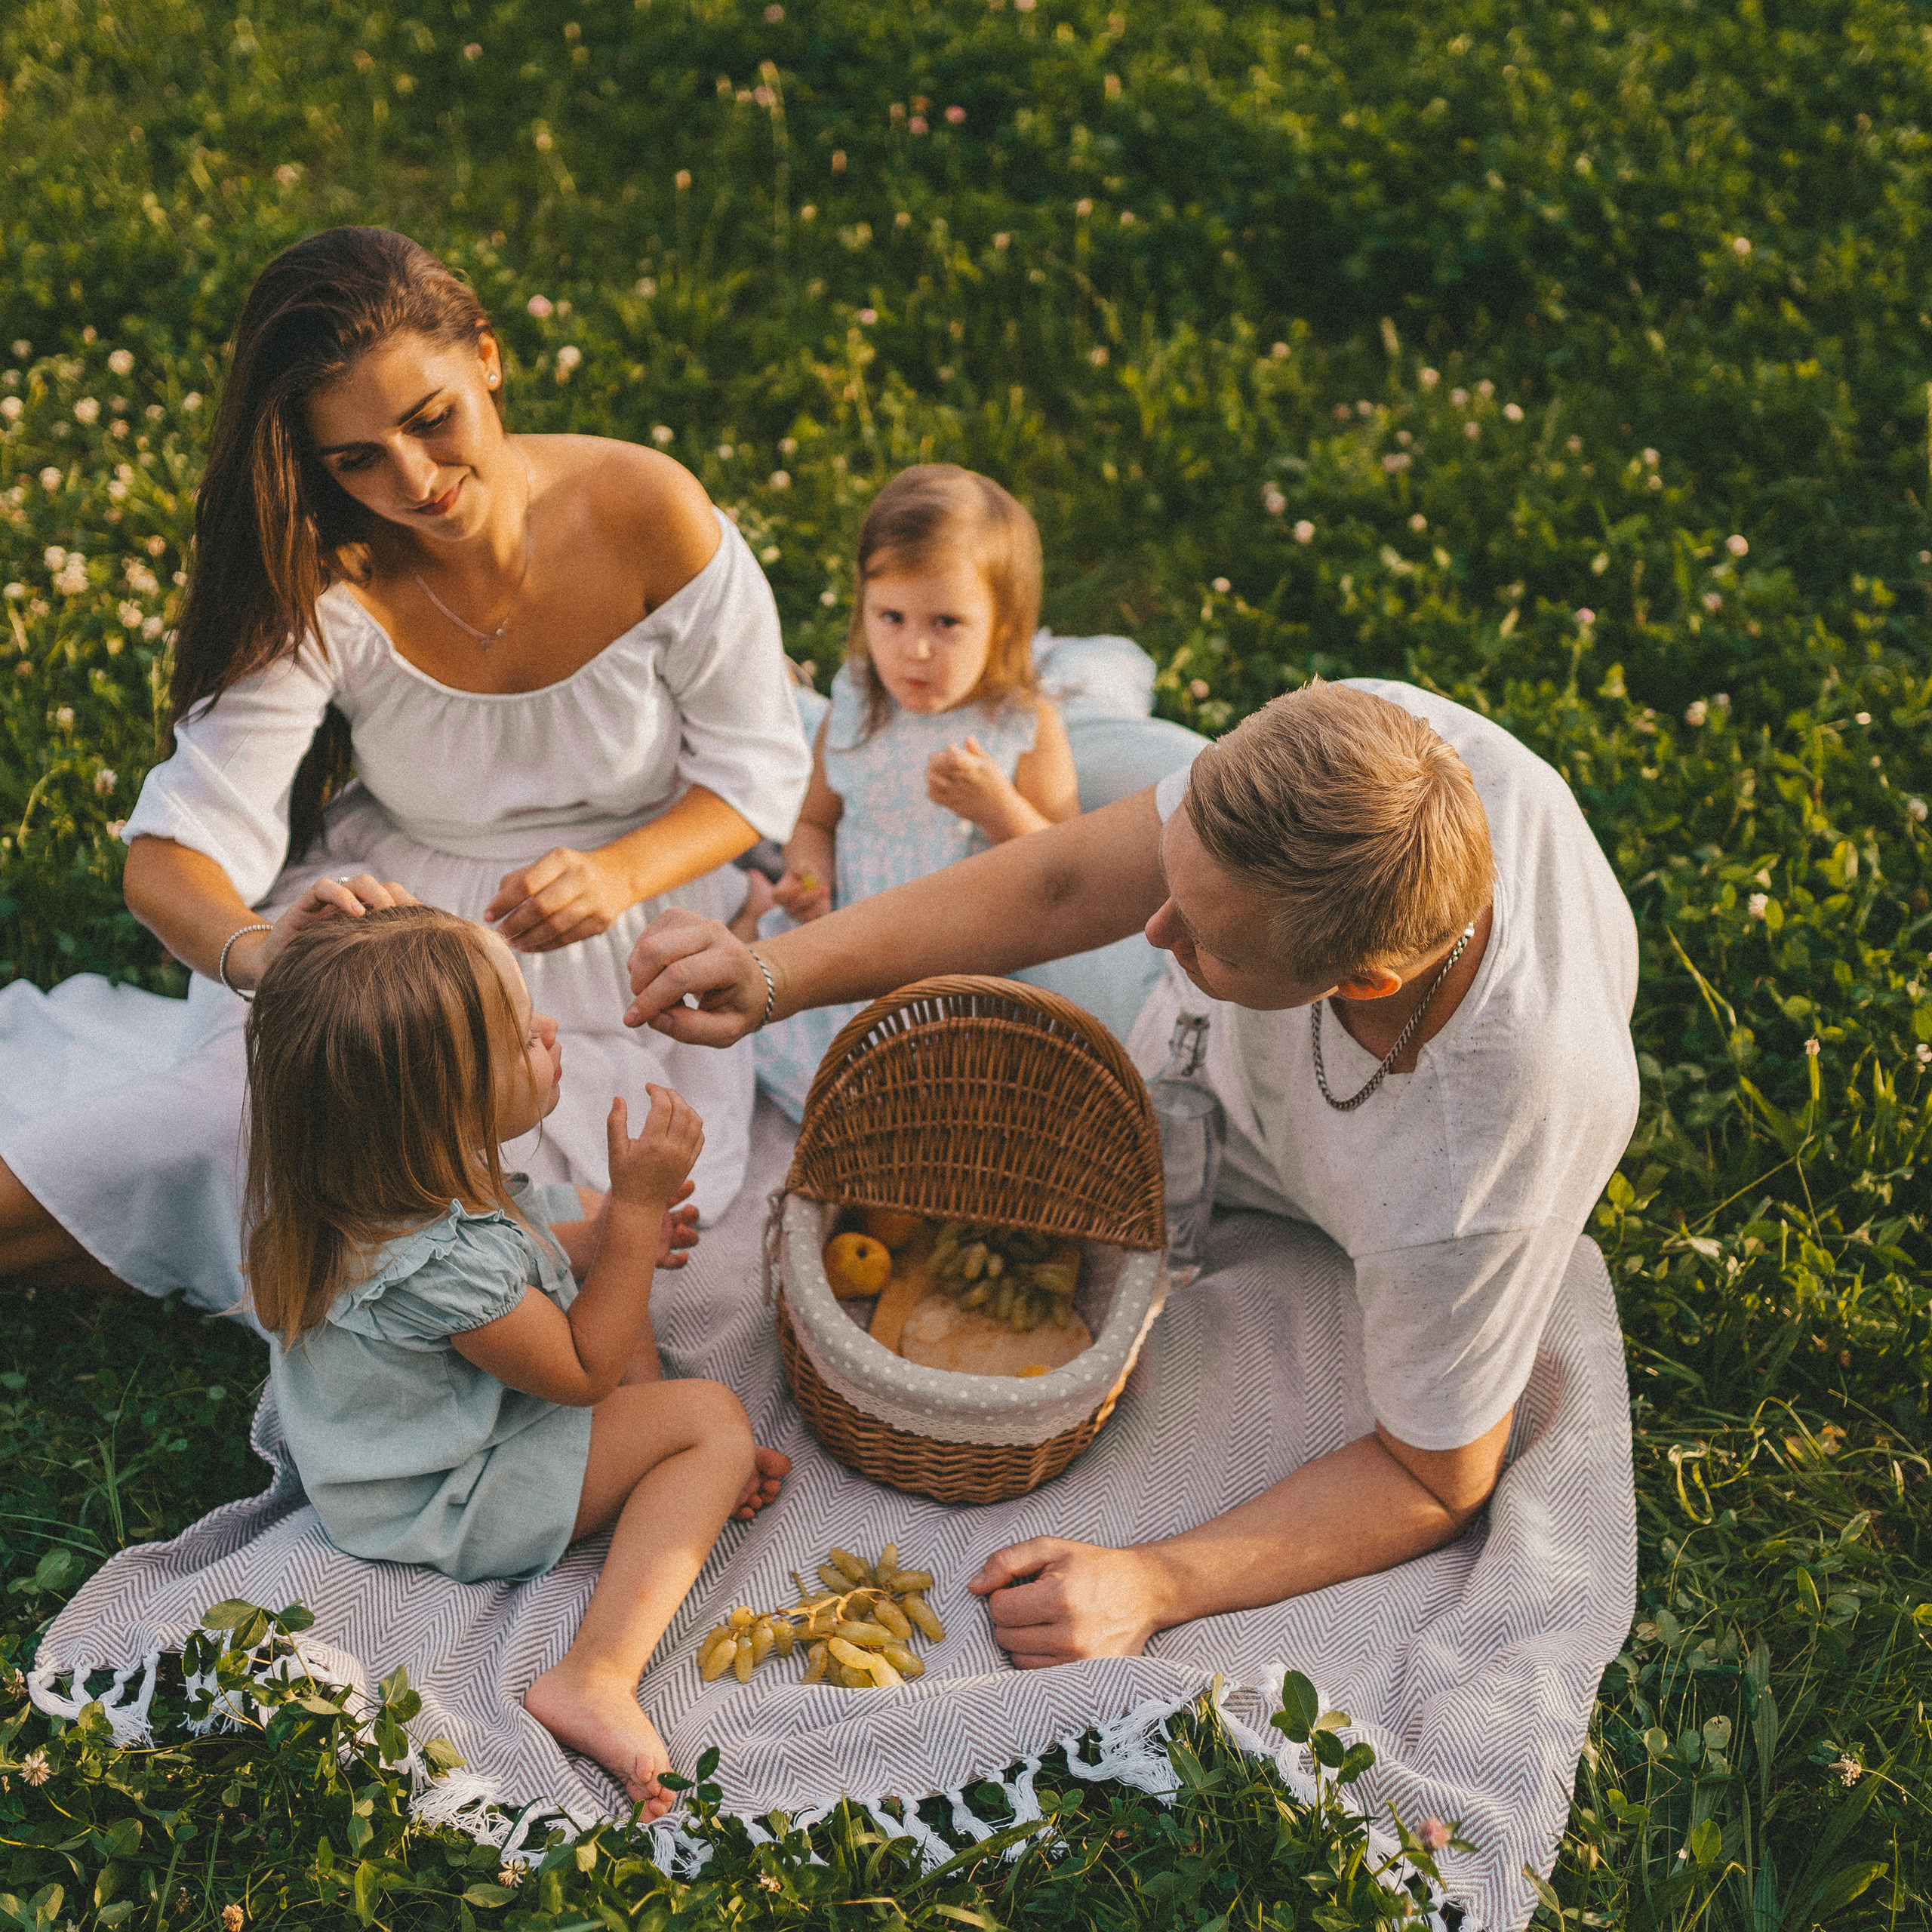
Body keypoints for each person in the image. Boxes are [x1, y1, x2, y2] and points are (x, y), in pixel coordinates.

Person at [622, 677, 1640, 1663]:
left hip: (1287, 1134)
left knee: (1035, 758)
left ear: (1364, 981)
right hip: (1209, 1053)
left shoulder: (1467, 1176)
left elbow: (1435, 1480)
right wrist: (772, 974)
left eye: (1201, 938)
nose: (1155, 931)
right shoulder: (1379, 750)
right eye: (1170, 877)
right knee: (996, 747)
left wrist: (1158, 1582)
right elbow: (1063, 880)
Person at [0, 227, 810, 1316]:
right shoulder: (333, 575)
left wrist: (618, 874)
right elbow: (168, 860)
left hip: (624, 947)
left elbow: (757, 771)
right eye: (356, 460)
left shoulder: (648, 511)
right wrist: (263, 959)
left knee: (435, 1215)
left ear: (485, 353)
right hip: (399, 936)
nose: (415, 481)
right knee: (255, 1131)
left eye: (431, 421)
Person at [248, 903, 780, 1809]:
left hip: (432, 1430)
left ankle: (656, 1466)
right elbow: (583, 1371)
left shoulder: (381, 1184)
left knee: (603, 1249)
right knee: (713, 1417)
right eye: (516, 1039)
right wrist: (638, 1213)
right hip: (445, 1493)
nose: (547, 1032)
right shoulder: (441, 1264)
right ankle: (595, 1673)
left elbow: (535, 1250)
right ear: (437, 1107)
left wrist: (609, 1232)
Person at [739, 464, 1079, 1118]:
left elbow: (1070, 865)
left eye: (947, 623)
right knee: (777, 1031)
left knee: (954, 1104)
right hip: (855, 951)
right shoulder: (861, 706)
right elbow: (814, 820)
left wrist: (997, 805)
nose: (914, 649)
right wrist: (811, 878)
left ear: (1002, 626)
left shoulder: (1019, 725)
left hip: (964, 970)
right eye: (890, 617)